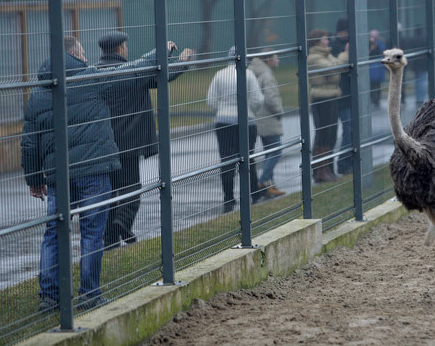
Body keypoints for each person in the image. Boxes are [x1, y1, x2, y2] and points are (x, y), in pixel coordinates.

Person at [21, 36, 159, 312]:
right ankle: (89, 293)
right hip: (94, 170)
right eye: (83, 53)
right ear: (75, 55)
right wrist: (158, 52)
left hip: (58, 174)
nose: (86, 58)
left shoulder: (38, 92)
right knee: (92, 231)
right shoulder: (91, 78)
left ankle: (49, 296)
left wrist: (34, 179)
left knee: (54, 231)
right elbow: (131, 73)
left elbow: (29, 142)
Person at [96, 32, 194, 249]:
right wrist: (182, 62)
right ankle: (123, 221)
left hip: (105, 144)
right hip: (131, 142)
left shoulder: (95, 74)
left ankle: (110, 240)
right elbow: (162, 76)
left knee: (111, 191)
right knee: (132, 188)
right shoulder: (132, 73)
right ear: (121, 49)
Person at [206, 47, 264, 212]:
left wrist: (221, 109)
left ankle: (228, 197)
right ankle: (253, 193)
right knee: (248, 157)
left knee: (227, 160)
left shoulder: (220, 74)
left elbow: (210, 100)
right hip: (246, 121)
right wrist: (250, 110)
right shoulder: (248, 74)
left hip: (223, 121)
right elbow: (257, 99)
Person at [307, 29, 348, 183]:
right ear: (317, 41)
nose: (328, 41)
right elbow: (333, 71)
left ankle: (328, 169)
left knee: (331, 133)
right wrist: (345, 55)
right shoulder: (314, 57)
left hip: (332, 97)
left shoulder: (327, 54)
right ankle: (320, 171)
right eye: (325, 38)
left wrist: (338, 63)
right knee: (323, 134)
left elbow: (337, 68)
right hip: (322, 99)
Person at [248, 50, 286, 198]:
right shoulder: (267, 76)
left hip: (257, 116)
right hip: (269, 118)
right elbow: (271, 98)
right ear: (268, 60)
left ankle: (270, 184)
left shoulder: (253, 72)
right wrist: (279, 111)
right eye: (276, 58)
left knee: (268, 152)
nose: (278, 61)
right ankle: (264, 181)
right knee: (276, 151)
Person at [328, 18, 352, 175]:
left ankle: (348, 162)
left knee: (351, 130)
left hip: (350, 95)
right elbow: (338, 67)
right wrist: (347, 52)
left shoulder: (349, 43)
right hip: (340, 97)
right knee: (347, 130)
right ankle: (342, 164)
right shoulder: (334, 46)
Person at [368, 30, 386, 107]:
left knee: (377, 85)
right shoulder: (369, 44)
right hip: (374, 68)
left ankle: (376, 100)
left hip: (376, 68)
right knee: (373, 85)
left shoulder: (380, 44)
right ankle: (374, 99)